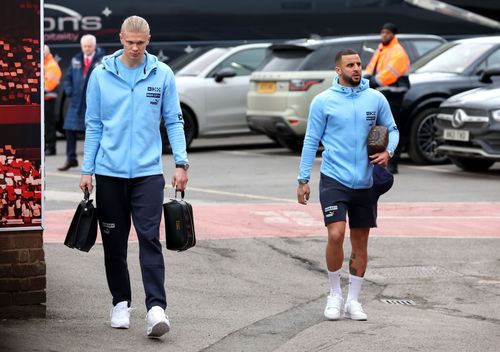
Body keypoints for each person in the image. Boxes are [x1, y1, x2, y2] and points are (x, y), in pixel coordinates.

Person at [79, 15, 189, 338]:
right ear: (120, 38)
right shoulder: (100, 75)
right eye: (129, 42)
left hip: (147, 174)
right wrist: (87, 169)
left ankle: (156, 308)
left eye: (141, 43)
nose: (135, 48)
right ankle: (120, 302)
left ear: (149, 40)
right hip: (109, 173)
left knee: (149, 239)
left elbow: (173, 121)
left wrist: (181, 163)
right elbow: (94, 124)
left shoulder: (162, 74)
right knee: (113, 244)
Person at [297, 49, 399, 321]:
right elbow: (310, 140)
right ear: (338, 70)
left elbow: (393, 129)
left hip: (366, 182)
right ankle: (334, 293)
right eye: (350, 65)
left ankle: (353, 300)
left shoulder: (375, 99)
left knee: (360, 243)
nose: (357, 68)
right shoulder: (323, 101)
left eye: (359, 64)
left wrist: (388, 150)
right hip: (334, 178)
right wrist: (303, 179)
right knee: (335, 234)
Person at [364, 23, 410, 174]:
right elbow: (371, 67)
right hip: (381, 93)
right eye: (382, 32)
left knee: (392, 128)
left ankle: (393, 162)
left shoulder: (398, 51)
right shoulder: (381, 49)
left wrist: (373, 82)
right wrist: (365, 78)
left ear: (393, 35)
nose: (384, 35)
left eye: (387, 33)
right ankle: (379, 160)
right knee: (378, 128)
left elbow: (390, 73)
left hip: (393, 93)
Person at [58, 34, 104, 171]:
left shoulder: (101, 61)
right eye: (85, 46)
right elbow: (68, 78)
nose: (87, 49)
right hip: (76, 101)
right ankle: (71, 159)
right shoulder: (76, 60)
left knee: (93, 130)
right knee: (69, 130)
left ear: (94, 46)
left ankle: (97, 161)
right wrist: (69, 90)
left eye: (89, 46)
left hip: (92, 102)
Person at [43, 45, 62, 156]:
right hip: (46, 99)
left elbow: (49, 85)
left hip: (48, 99)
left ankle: (51, 148)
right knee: (46, 125)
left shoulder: (51, 65)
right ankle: (47, 147)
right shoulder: (46, 63)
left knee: (49, 125)